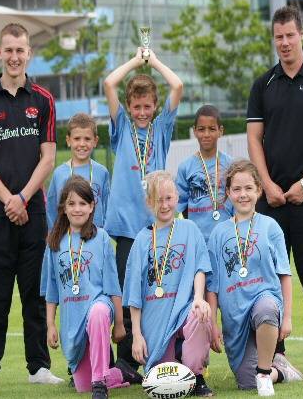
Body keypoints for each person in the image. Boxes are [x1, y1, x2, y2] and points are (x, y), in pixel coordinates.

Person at [246, 5, 303, 379]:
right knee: (268, 281)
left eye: (289, 35)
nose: (284, 43)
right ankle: (275, 357)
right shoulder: (262, 85)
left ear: (302, 34)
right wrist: (266, 184)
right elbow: (254, 138)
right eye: (278, 37)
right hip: (270, 202)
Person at [0, 23, 62, 392]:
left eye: (20, 50)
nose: (14, 56)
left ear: (29, 54)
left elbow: (49, 157)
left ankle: (38, 366)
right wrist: (8, 199)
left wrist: (23, 197)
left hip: (33, 210)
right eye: (8, 50)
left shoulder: (43, 100)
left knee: (35, 295)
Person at [103, 47, 183, 373]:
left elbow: (177, 87)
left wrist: (155, 62)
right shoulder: (121, 125)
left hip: (154, 223)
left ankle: (156, 351)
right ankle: (125, 359)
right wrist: (137, 61)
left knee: (155, 287)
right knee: (125, 289)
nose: (142, 112)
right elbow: (109, 83)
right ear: (128, 106)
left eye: (148, 106)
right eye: (136, 106)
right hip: (124, 223)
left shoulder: (161, 128)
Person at [207, 161, 303, 396]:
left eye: (249, 188)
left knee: (266, 309)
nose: (243, 195)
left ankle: (264, 372)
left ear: (259, 190)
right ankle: (278, 368)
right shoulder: (218, 233)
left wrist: (287, 317)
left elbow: (284, 275)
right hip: (234, 315)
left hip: (264, 300)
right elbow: (213, 286)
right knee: (246, 383)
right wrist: (212, 323)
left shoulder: (271, 227)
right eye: (237, 189)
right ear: (228, 193)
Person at [122, 171, 214, 397]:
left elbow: (199, 268)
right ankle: (177, 354)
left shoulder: (189, 229)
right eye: (157, 200)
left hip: (183, 308)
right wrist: (137, 335)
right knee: (162, 378)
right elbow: (133, 294)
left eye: (168, 198)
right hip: (155, 317)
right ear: (148, 202)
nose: (163, 205)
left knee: (200, 315)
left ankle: (197, 375)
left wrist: (199, 298)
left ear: (177, 197)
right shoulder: (141, 241)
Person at [41, 112, 115, 387]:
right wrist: (61, 241)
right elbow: (52, 213)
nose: (82, 144)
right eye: (77, 138)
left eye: (87, 138)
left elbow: (104, 208)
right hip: (68, 245)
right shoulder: (60, 173)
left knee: (98, 305)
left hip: (94, 245)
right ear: (68, 140)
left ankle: (104, 363)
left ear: (95, 141)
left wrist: (98, 238)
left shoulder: (103, 172)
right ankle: (85, 367)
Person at [45, 177, 125, 399]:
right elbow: (51, 290)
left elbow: (112, 285)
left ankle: (100, 382)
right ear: (63, 208)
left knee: (98, 311)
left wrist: (118, 323)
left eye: (82, 203)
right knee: (82, 386)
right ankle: (116, 374)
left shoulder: (101, 238)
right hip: (72, 319)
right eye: (71, 204)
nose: (77, 209)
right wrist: (50, 324)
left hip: (98, 308)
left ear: (92, 207)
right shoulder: (54, 242)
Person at [176, 104, 233, 242]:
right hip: (198, 239)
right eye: (201, 129)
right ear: (195, 131)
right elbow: (182, 205)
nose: (206, 134)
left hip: (226, 237)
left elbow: (237, 200)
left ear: (221, 131)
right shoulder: (185, 167)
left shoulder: (231, 165)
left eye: (212, 129)